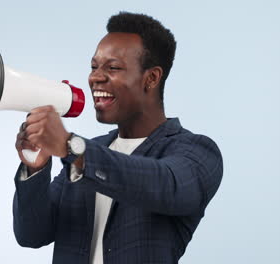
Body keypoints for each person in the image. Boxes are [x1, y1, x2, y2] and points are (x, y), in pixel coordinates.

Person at [12, 11, 223, 264]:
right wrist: (35, 168)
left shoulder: (196, 152)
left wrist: (70, 146)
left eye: (112, 67)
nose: (94, 77)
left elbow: (162, 185)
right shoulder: (89, 151)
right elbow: (32, 234)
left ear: (151, 78)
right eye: (93, 67)